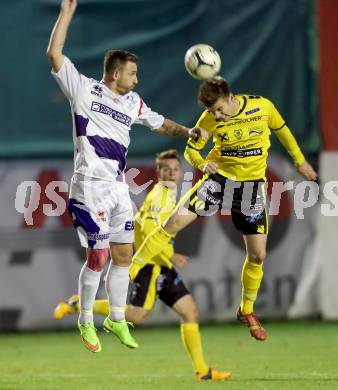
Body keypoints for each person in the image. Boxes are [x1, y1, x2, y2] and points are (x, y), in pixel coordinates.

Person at [47, 0, 205, 354]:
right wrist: (67, 13)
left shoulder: (133, 102)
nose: (137, 79)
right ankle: (85, 318)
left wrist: (188, 132)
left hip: (118, 188)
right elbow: (55, 54)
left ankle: (117, 319)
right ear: (115, 74)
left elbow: (160, 122)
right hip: (88, 187)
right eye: (133, 73)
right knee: (98, 258)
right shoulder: (84, 90)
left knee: (122, 256)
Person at [131, 77, 318, 341]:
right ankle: (133, 265)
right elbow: (191, 150)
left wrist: (300, 162)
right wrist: (202, 164)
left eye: (218, 109)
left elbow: (283, 131)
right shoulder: (208, 119)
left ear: (231, 98)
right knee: (172, 223)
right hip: (219, 182)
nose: (216, 116)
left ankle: (247, 309)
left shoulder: (262, 107)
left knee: (258, 256)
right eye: (211, 112)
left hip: (251, 188)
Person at [54, 149, 230, 381]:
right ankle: (78, 304)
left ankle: (202, 371)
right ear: (158, 172)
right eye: (166, 169)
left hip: (159, 262)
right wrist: (169, 254)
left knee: (190, 311)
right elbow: (149, 230)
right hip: (150, 263)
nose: (172, 173)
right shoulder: (161, 194)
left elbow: (143, 224)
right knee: (138, 317)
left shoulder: (167, 192)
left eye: (176, 169)